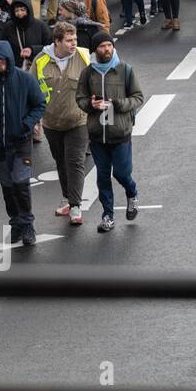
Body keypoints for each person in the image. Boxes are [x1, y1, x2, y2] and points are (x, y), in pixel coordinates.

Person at [0, 40, 45, 248]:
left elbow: (40, 103)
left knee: (21, 183)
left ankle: (27, 225)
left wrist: (28, 123)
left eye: (1, 59)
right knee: (7, 187)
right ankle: (15, 221)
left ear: (8, 58)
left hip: (21, 141)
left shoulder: (24, 79)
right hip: (0, 143)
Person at [76, 31, 143, 233]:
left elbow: (138, 97)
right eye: (102, 46)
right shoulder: (88, 73)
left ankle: (132, 193)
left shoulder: (125, 70)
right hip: (97, 135)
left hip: (120, 133)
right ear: (95, 50)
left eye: (109, 45)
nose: (106, 49)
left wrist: (119, 104)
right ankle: (108, 216)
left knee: (122, 173)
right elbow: (80, 98)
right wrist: (91, 104)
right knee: (102, 177)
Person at [34, 23, 92, 225]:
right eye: (68, 40)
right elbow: (32, 90)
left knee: (75, 161)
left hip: (78, 120)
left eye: (74, 39)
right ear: (57, 42)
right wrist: (34, 119)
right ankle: (67, 197)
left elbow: (98, 78)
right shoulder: (41, 61)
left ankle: (76, 206)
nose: (73, 43)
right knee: (61, 161)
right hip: (51, 123)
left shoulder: (84, 56)